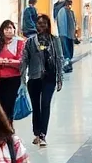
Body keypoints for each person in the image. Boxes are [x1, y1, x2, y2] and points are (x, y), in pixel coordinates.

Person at [23, 13, 64, 147]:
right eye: (39, 23)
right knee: (36, 107)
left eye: (44, 23)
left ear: (48, 25)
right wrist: (22, 77)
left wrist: (60, 78)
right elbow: (24, 60)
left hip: (50, 78)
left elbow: (59, 58)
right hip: (34, 78)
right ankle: (36, 133)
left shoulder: (54, 40)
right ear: (36, 25)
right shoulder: (30, 42)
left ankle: (43, 134)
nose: (41, 26)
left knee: (45, 104)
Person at [0, 20, 25, 118]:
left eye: (10, 28)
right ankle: (1, 128)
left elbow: (22, 61)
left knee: (10, 105)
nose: (8, 31)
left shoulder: (20, 43)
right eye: (6, 29)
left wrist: (9, 62)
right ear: (2, 31)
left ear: (14, 30)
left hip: (14, 79)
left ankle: (9, 128)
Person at [55, 0, 78, 71]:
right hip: (64, 34)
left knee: (69, 47)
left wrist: (74, 34)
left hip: (69, 34)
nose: (70, 6)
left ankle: (68, 61)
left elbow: (73, 23)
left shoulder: (70, 12)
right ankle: (67, 62)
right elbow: (62, 24)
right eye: (69, 5)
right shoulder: (62, 11)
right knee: (66, 48)